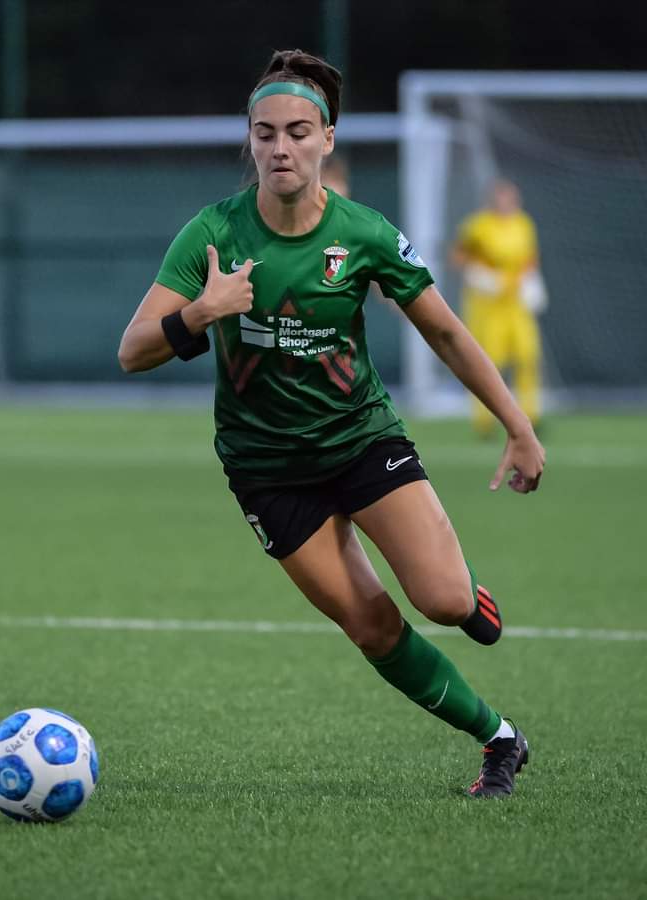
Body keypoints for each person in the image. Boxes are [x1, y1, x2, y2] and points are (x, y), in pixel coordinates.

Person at [118, 49, 544, 798]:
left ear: (328, 141)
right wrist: (202, 312)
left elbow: (446, 332)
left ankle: (465, 596)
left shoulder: (365, 233)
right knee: (373, 629)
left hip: (361, 443)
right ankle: (500, 740)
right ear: (249, 142)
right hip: (267, 470)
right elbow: (133, 351)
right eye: (264, 133)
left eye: (297, 131)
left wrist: (517, 425)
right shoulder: (211, 234)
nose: (280, 147)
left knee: (442, 602)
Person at [451, 179, 546, 436]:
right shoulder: (477, 226)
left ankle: (530, 416)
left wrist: (530, 282)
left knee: (527, 356)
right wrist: (481, 276)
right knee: (488, 362)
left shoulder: (524, 224)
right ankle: (485, 420)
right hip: (487, 306)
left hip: (515, 304)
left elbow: (530, 259)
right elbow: (458, 257)